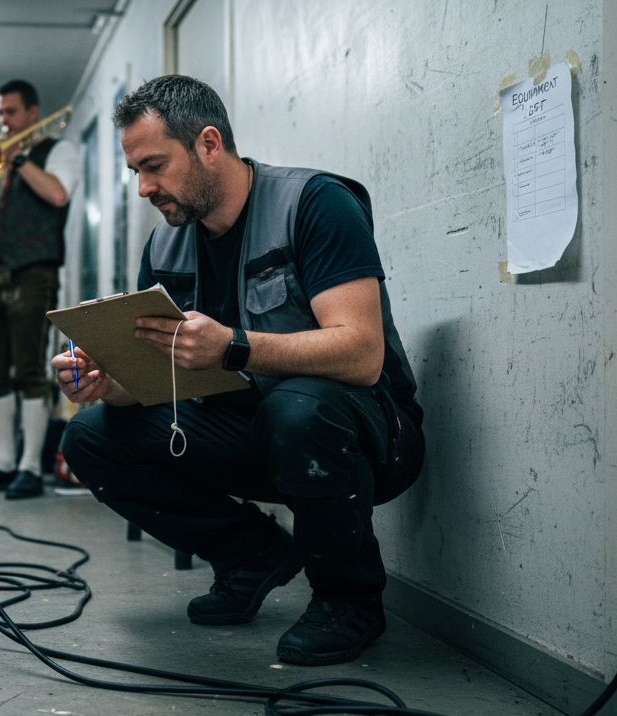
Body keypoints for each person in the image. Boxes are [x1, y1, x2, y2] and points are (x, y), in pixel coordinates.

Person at [52, 75, 425, 666]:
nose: (145, 188)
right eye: (136, 173)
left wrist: (234, 347)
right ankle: (250, 553)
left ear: (207, 144)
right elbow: (162, 385)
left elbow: (362, 353)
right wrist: (108, 385)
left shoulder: (315, 203)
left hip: (367, 436)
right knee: (89, 436)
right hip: (254, 435)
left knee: (296, 407)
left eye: (154, 166)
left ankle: (349, 601)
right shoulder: (166, 246)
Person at [0, 79, 78, 500]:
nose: (4, 122)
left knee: (29, 368)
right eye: (0, 115)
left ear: (33, 112)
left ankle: (30, 467)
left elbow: (58, 194)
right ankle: (2, 461)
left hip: (35, 269)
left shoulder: (57, 151)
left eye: (10, 113)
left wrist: (18, 160)